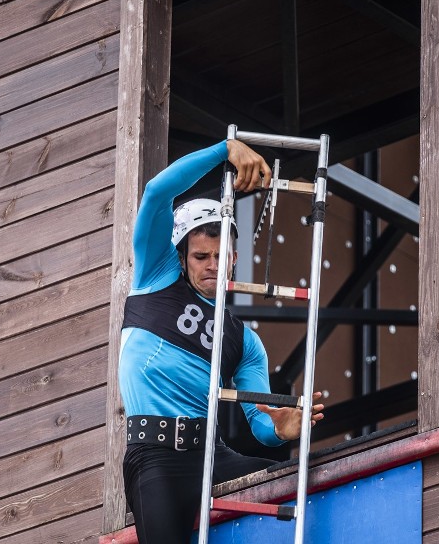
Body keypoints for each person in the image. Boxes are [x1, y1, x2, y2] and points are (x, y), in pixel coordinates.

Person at [119, 139, 324, 543]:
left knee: (296, 482)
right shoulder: (154, 277)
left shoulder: (244, 341)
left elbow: (260, 423)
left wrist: (281, 429)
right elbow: (156, 193)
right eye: (201, 256)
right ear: (181, 258)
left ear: (234, 258)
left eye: (222, 254)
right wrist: (223, 150)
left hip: (211, 455)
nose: (213, 264)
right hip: (154, 455)